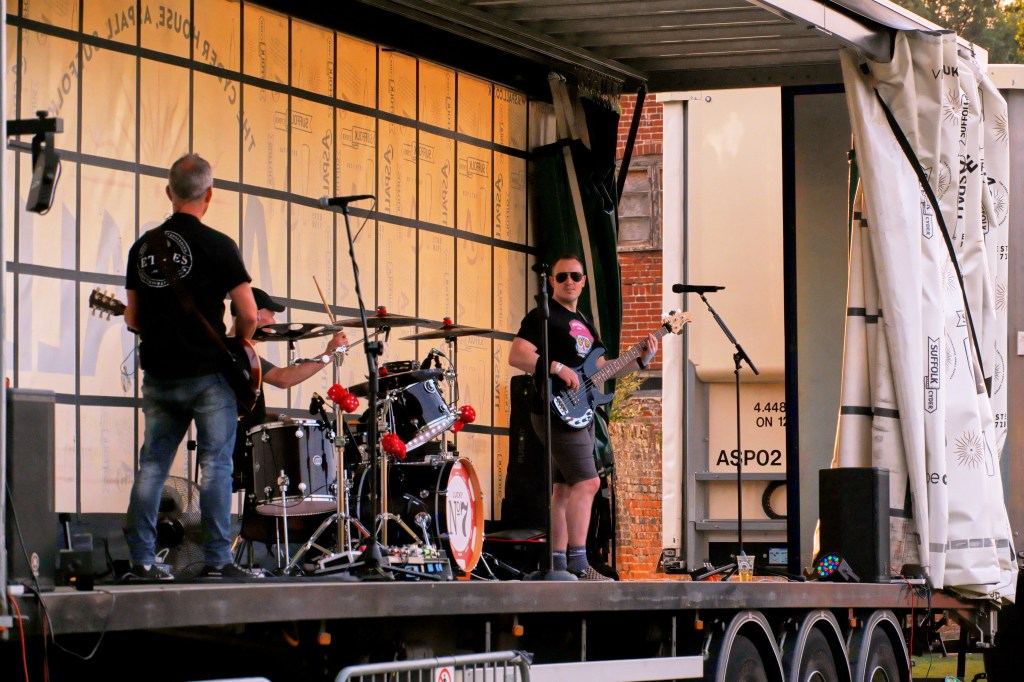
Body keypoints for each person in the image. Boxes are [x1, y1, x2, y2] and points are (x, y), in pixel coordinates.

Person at [123, 153, 258, 581]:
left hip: (160, 375)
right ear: (209, 195)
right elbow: (249, 313)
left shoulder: (142, 248)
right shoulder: (220, 245)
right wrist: (240, 341)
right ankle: (217, 560)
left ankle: (142, 561)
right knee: (216, 466)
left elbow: (133, 317)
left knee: (152, 467)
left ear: (169, 192)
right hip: (208, 376)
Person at [508, 253, 658, 581]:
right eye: (562, 276)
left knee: (564, 489)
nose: (569, 282)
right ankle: (579, 563)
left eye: (575, 276)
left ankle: (559, 565)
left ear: (584, 281)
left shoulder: (585, 322)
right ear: (551, 281)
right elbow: (517, 355)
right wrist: (556, 367)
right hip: (556, 409)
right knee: (589, 483)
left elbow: (602, 369)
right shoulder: (543, 316)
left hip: (582, 411)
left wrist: (641, 359)